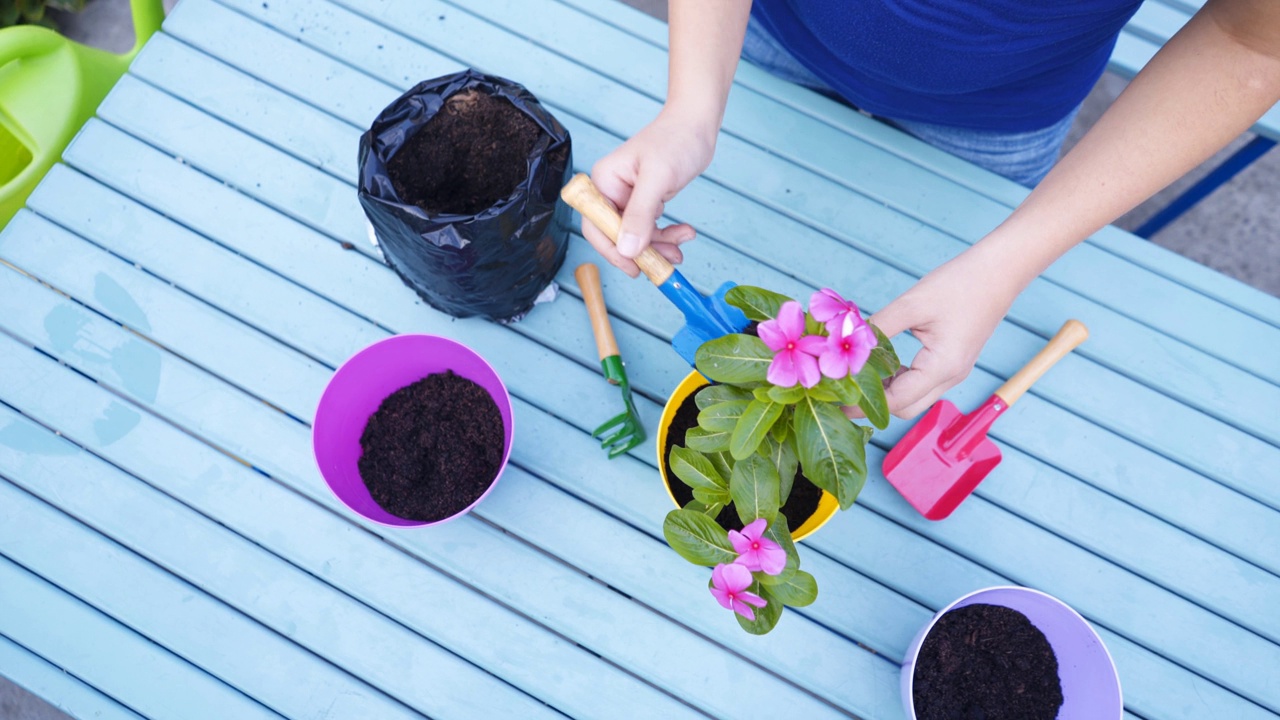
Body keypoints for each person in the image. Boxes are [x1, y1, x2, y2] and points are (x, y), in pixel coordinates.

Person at [580, 0, 1280, 419]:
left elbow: (1249, 39)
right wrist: (692, 107)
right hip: (764, 38)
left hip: (1001, 121)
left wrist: (1004, 265)